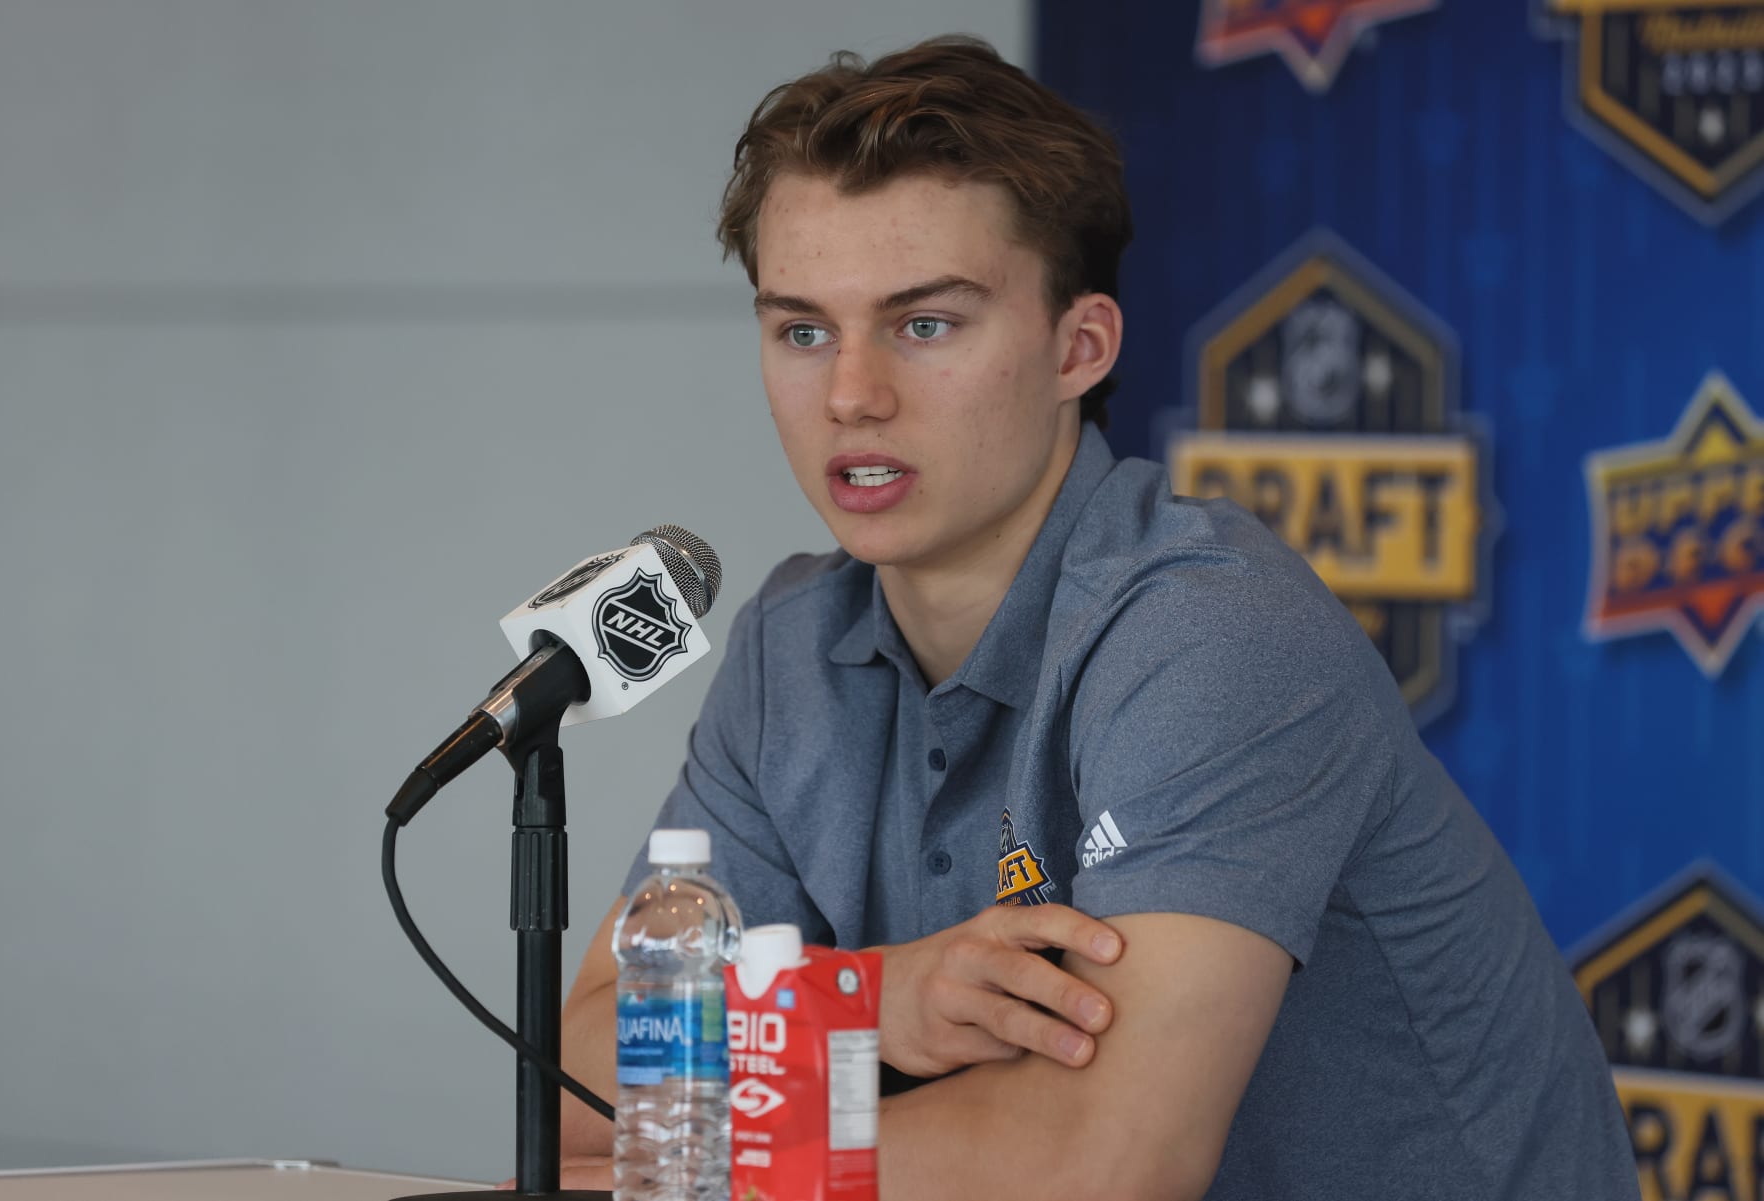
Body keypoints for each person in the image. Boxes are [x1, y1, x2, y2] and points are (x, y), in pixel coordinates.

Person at [554, 36, 1638, 1200]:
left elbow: (1105, 1158)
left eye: (926, 325)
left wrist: (691, 1163)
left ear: (1081, 348)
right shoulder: (788, 647)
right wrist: (868, 1003)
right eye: (803, 330)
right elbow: (582, 1061)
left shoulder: (1210, 628)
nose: (851, 393)